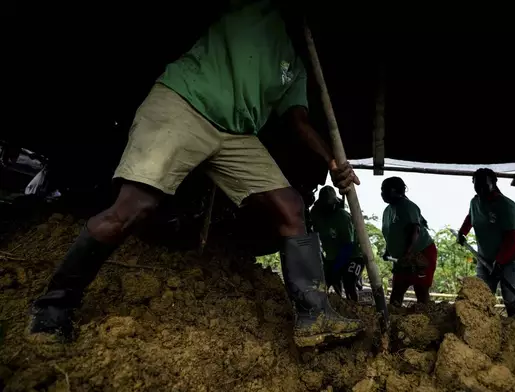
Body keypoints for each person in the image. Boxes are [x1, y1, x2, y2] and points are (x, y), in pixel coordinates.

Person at [29, 0, 364, 347]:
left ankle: (313, 316)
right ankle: (54, 307)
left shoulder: (293, 66)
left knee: (290, 206)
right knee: (135, 206)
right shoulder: (251, 8)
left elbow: (300, 121)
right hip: (184, 105)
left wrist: (332, 162)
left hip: (235, 134)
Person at [457, 168, 515, 304]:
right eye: (477, 185)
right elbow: (471, 216)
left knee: (511, 299)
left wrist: (501, 261)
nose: (480, 189)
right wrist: (462, 232)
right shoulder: (475, 202)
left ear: (494, 183)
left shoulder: (506, 205)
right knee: (481, 298)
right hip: (486, 259)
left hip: (512, 260)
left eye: (485, 185)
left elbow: (512, 237)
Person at [381, 177, 437, 306]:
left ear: (394, 190)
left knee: (421, 290)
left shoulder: (408, 206)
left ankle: (424, 321)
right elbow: (391, 235)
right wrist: (388, 251)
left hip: (420, 253)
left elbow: (415, 230)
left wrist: (409, 253)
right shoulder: (387, 211)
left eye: (384, 190)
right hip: (402, 258)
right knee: (397, 291)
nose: (382, 194)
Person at [310, 186, 365, 301]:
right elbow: (312, 235)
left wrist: (336, 267)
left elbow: (348, 246)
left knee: (349, 282)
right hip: (331, 257)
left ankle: (353, 308)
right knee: (323, 283)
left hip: (352, 256)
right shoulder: (315, 214)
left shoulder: (343, 217)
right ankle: (330, 305)